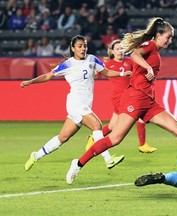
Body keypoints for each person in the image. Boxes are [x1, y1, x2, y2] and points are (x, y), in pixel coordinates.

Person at [66, 17, 177, 184]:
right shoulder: (150, 45)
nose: (170, 41)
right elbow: (135, 54)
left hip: (149, 102)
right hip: (134, 99)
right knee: (115, 139)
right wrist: (148, 67)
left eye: (171, 38)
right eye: (168, 37)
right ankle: (78, 164)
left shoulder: (155, 51)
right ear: (158, 35)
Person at [21, 35, 131, 172]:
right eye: (80, 46)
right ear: (73, 48)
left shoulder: (92, 59)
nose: (83, 48)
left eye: (84, 45)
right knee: (97, 125)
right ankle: (108, 159)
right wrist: (31, 81)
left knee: (63, 137)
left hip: (85, 105)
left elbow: (106, 72)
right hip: (75, 103)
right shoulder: (68, 64)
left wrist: (122, 74)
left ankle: (35, 156)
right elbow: (48, 76)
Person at [85, 39, 157, 153]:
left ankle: (93, 138)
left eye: (122, 48)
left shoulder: (129, 61)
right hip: (118, 98)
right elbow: (95, 73)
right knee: (140, 117)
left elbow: (139, 68)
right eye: (117, 49)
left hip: (130, 95)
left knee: (113, 126)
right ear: (112, 51)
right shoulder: (108, 64)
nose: (120, 51)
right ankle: (142, 145)